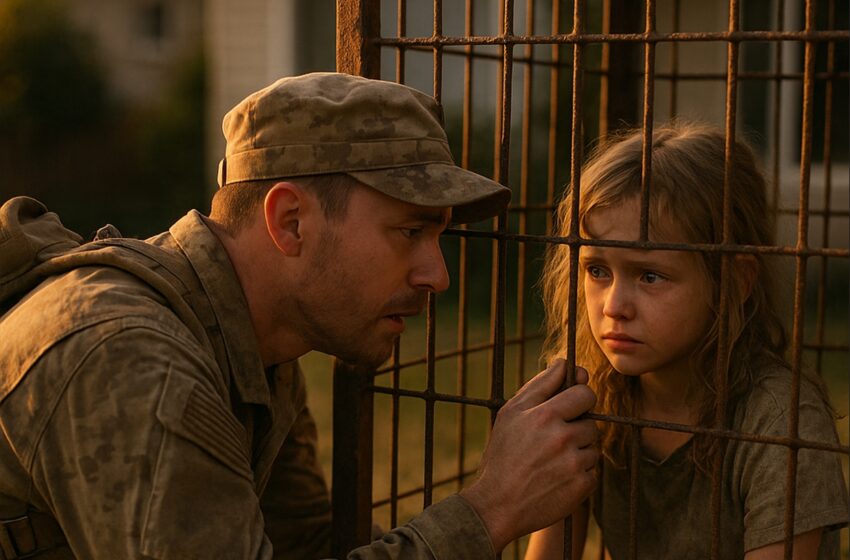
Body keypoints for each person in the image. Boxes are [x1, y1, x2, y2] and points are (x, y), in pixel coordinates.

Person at [0, 72, 599, 559]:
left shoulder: (257, 344)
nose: (436, 276)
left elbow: (304, 549)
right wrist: (491, 510)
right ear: (290, 222)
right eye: (409, 230)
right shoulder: (130, 360)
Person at [526, 123, 848, 559]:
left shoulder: (779, 421)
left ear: (733, 280)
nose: (613, 306)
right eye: (597, 270)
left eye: (650, 275)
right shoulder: (586, 397)